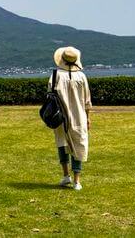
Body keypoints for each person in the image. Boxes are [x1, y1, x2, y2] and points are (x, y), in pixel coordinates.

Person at [49, 46, 91, 191]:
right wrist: (88, 118)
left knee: (62, 143)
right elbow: (87, 101)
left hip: (60, 115)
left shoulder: (56, 75)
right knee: (78, 144)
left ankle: (66, 175)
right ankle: (77, 181)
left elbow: (50, 95)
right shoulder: (82, 76)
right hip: (79, 115)